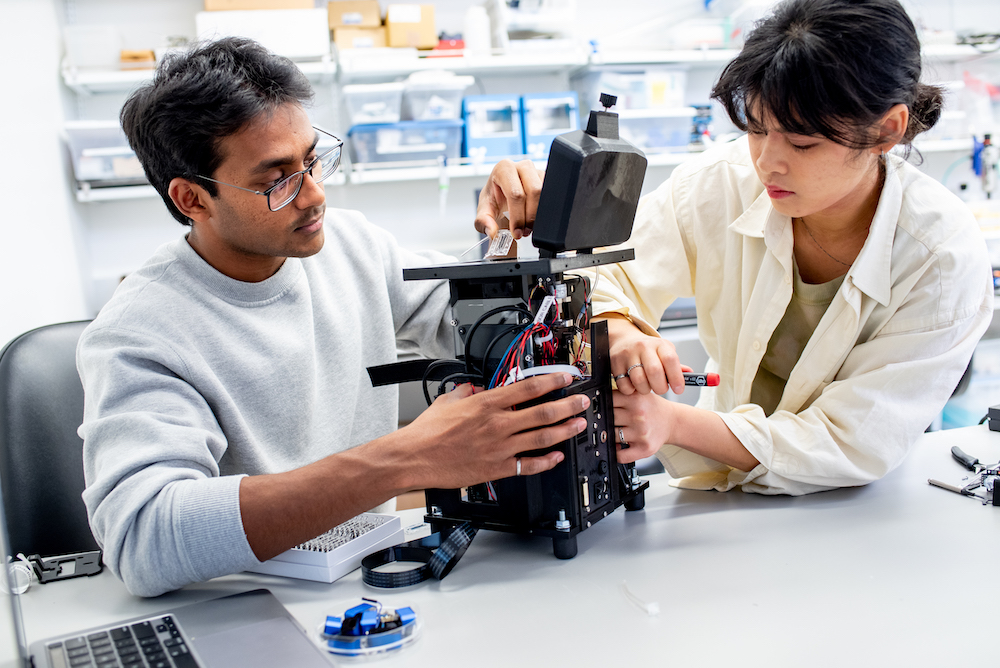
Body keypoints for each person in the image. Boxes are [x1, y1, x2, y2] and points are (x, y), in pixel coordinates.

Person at [78, 37, 589, 597]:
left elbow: (492, 324)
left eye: (312, 160)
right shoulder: (141, 331)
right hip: (246, 605)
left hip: (374, 581)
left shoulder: (350, 245)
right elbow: (142, 538)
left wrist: (518, 237)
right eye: (277, 180)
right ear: (192, 199)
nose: (315, 195)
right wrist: (405, 459)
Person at [476, 0, 994, 495]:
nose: (769, 161)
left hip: (857, 506)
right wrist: (620, 330)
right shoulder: (721, 183)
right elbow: (604, 276)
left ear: (886, 130)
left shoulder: (942, 258)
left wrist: (673, 422)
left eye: (803, 142)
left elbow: (850, 441)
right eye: (757, 128)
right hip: (720, 495)